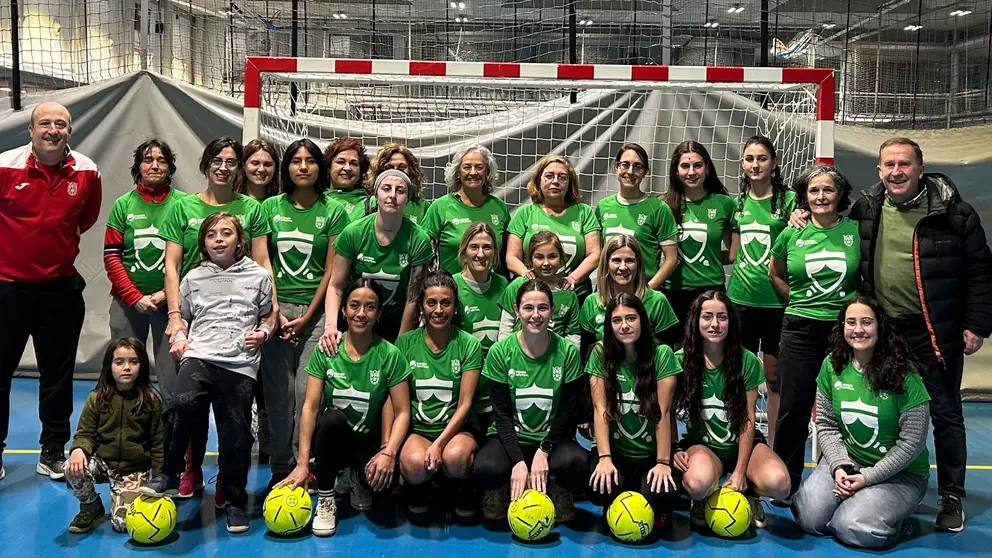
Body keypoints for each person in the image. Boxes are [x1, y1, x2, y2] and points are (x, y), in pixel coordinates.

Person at [791, 138, 992, 531]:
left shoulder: (955, 213)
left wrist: (977, 324)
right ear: (879, 170)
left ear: (920, 168)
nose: (896, 171)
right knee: (873, 406)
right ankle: (870, 476)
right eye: (888, 165)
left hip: (933, 329)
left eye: (904, 164)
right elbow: (830, 220)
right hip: (882, 330)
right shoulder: (867, 208)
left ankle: (951, 495)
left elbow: (981, 271)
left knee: (946, 412)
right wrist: (799, 214)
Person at [158, 136, 275, 505]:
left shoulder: (252, 210)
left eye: (231, 161)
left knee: (233, 421)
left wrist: (270, 317)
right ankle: (184, 470)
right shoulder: (182, 207)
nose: (224, 167)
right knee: (184, 401)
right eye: (217, 160)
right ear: (206, 164)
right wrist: (177, 319)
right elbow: (172, 266)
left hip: (237, 337)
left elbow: (263, 263)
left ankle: (231, 484)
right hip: (200, 323)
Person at [142, 212, 275, 534]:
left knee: (236, 434)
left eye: (226, 233)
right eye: (211, 234)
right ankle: (169, 474)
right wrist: (179, 337)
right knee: (180, 403)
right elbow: (181, 318)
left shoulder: (259, 276)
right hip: (200, 355)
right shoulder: (193, 278)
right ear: (203, 242)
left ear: (239, 241)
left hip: (240, 363)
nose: (218, 239)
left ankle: (234, 501)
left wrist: (264, 333)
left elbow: (270, 315)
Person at [0, 101, 102, 482]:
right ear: (31, 130)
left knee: (57, 375)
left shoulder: (87, 171)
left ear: (69, 132)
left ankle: (53, 450)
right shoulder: (5, 166)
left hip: (59, 291)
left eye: (61, 124)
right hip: (7, 290)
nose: (52, 130)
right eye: (45, 123)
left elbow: (86, 217)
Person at [792, 297, 931, 549]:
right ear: (842, 327)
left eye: (866, 322)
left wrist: (866, 478)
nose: (858, 330)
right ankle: (861, 501)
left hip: (901, 475)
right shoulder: (832, 366)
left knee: (852, 526)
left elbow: (912, 443)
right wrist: (839, 467)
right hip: (850, 462)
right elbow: (826, 424)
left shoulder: (906, 375)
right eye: (851, 322)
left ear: (880, 327)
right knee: (809, 519)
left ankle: (897, 522)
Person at [278, 279, 411, 537]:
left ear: (379, 313)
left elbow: (403, 411)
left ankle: (357, 477)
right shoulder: (328, 349)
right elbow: (310, 407)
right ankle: (326, 499)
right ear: (344, 311)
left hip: (369, 442)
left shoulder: (390, 354)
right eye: (354, 305)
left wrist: (389, 453)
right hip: (333, 439)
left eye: (370, 307)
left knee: (386, 485)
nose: (361, 313)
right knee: (332, 420)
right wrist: (303, 463)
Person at [260, 139, 348, 488]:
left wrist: (310, 316)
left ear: (319, 169)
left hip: (315, 316)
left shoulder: (334, 211)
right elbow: (261, 262)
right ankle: (280, 466)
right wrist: (276, 310)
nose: (303, 167)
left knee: (306, 394)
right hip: (274, 314)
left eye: (310, 161)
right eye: (295, 161)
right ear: (287, 168)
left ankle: (305, 463)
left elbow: (332, 273)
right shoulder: (268, 208)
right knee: (279, 396)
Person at [769, 164, 860, 499]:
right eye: (814, 190)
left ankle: (849, 477)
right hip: (800, 327)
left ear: (840, 195)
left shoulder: (854, 229)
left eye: (828, 190)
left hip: (845, 332)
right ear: (804, 197)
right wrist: (798, 301)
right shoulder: (792, 232)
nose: (821, 196)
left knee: (845, 405)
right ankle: (785, 482)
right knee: (794, 406)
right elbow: (775, 272)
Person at [472, 280, 588, 522]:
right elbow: (501, 414)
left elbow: (569, 411)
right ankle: (500, 488)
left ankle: (558, 489)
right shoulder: (500, 352)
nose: (536, 315)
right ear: (516, 310)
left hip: (552, 438)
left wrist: (544, 450)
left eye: (543, 308)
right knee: (485, 468)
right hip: (509, 436)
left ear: (552, 311)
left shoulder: (567, 352)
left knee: (576, 462)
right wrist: (517, 460)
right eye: (528, 308)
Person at [674, 291, 791, 530]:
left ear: (731, 322)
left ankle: (749, 493)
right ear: (696, 321)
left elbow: (747, 419)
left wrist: (739, 472)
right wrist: (673, 447)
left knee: (780, 484)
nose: (715, 324)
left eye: (722, 317)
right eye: (707, 316)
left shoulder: (746, 361)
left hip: (742, 442)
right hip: (702, 443)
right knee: (696, 484)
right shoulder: (681, 360)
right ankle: (705, 497)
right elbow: (664, 411)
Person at [586, 293, 681, 529]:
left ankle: (642, 491)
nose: (624, 326)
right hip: (617, 452)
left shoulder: (662, 355)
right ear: (609, 325)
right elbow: (600, 410)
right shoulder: (599, 353)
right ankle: (623, 487)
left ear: (643, 320)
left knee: (663, 495)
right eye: (617, 320)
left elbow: (663, 412)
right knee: (596, 487)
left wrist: (662, 462)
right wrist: (604, 458)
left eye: (631, 318)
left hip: (650, 454)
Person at [726, 136, 797, 447]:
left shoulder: (790, 201)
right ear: (742, 164)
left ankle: (773, 444)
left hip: (777, 302)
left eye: (762, 158)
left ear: (774, 163)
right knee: (739, 376)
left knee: (773, 378)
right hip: (740, 299)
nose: (755, 164)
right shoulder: (736, 203)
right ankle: (739, 439)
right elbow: (733, 253)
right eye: (749, 159)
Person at [104, 139, 185, 407]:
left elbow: (192, 260)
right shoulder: (123, 205)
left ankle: (176, 439)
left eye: (162, 160)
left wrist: (165, 294)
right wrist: (134, 296)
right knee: (124, 374)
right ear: (138, 166)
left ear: (170, 167)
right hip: (127, 303)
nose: (155, 165)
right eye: (148, 159)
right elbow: (112, 256)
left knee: (173, 375)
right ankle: (126, 431)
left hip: (171, 304)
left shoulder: (184, 204)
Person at [396, 271, 483, 516]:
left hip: (458, 429)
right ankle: (422, 486)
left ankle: (459, 485)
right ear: (422, 307)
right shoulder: (405, 344)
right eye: (431, 302)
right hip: (419, 429)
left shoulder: (469, 344)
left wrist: (440, 444)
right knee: (414, 464)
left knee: (455, 457)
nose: (438, 310)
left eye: (446, 302)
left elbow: (465, 404)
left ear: (455, 307)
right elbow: (398, 402)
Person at [321, 170, 433, 345]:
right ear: (375, 194)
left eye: (400, 191)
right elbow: (336, 286)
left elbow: (413, 297)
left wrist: (402, 340)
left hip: (394, 326)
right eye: (386, 188)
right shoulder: (353, 233)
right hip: (355, 321)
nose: (392, 195)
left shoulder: (419, 239)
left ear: (408, 198)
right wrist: (330, 327)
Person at [65, 337, 164, 534]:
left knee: (123, 524)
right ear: (109, 366)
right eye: (119, 362)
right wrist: (77, 450)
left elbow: (158, 444)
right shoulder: (97, 398)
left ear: (142, 366)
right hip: (102, 462)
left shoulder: (151, 400)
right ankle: (91, 505)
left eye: (133, 362)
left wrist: (160, 481)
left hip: (132, 469)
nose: (126, 367)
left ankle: (122, 496)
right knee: (71, 469)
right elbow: (85, 433)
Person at [662, 141, 735, 346]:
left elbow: (732, 254)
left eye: (697, 165)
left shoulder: (724, 204)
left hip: (710, 291)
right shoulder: (664, 205)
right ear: (676, 170)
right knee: (675, 354)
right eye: (685, 166)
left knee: (711, 351)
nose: (691, 172)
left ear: (707, 168)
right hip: (672, 291)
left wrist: (706, 257)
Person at [506, 155, 601, 303]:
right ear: (538, 181)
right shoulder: (524, 213)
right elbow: (511, 258)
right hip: (533, 297)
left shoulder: (584, 212)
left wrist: (572, 279)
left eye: (562, 177)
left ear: (570, 183)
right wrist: (528, 275)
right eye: (549, 176)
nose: (555, 181)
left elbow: (595, 255)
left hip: (574, 296)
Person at [595, 143, 679, 289]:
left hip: (642, 290)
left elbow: (671, 259)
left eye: (638, 166)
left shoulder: (659, 208)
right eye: (625, 165)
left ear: (645, 171)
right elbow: (598, 254)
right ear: (616, 167)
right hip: (608, 290)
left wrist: (649, 289)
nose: (630, 171)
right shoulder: (603, 206)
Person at [452, 223, 509, 433]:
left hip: (496, 392)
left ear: (495, 252)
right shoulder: (452, 287)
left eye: (487, 247)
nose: (480, 254)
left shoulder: (505, 286)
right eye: (474, 247)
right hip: (463, 394)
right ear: (464, 251)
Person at [422, 145, 511, 275]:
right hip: (450, 290)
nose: (473, 172)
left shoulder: (499, 207)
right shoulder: (440, 207)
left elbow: (507, 255)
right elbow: (425, 255)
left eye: (479, 167)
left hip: (493, 290)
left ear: (487, 172)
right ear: (458, 172)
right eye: (467, 167)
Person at [579, 235, 679, 346]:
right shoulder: (591, 302)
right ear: (606, 264)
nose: (623, 267)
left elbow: (665, 352)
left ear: (639, 264)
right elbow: (586, 354)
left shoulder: (657, 301)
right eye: (616, 260)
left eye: (629, 261)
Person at [498, 231, 580, 347]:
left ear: (561, 258)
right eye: (539, 257)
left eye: (552, 256)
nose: (546, 263)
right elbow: (506, 327)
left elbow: (573, 335)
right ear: (530, 260)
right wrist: (505, 354)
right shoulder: (517, 285)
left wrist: (569, 358)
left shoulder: (568, 293)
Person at [367, 142, 431, 225]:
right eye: (389, 168)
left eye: (401, 168)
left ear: (412, 171)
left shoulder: (423, 207)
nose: (395, 171)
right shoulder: (369, 203)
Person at [323, 137, 371, 223]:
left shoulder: (371, 204)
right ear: (329, 167)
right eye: (341, 162)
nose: (347, 168)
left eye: (353, 163)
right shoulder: (314, 199)